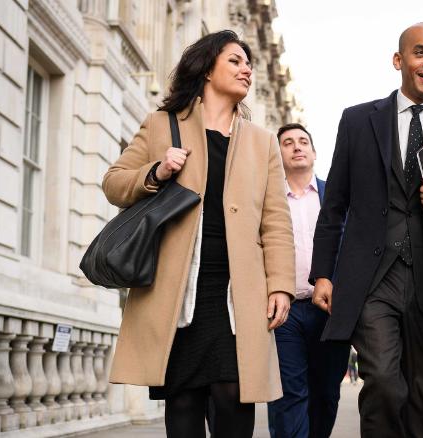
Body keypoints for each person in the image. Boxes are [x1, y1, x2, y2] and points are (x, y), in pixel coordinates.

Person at [101, 30, 294, 438]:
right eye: (236, 61)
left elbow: (276, 221)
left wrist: (280, 285)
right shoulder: (161, 125)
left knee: (232, 392)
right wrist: (155, 172)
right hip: (178, 288)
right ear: (207, 69)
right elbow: (114, 182)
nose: (247, 69)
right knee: (184, 398)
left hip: (237, 290)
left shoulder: (262, 143)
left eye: (249, 63)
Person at [309, 22, 423, 438]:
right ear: (398, 60)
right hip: (372, 281)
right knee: (385, 387)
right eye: (421, 52)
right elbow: (334, 205)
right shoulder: (357, 121)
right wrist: (322, 273)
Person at [267, 123, 350, 438]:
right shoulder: (269, 198)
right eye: (287, 142)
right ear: (278, 153)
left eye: (303, 141)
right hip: (285, 311)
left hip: (329, 312)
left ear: (314, 153)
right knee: (290, 394)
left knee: (326, 395)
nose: (296, 147)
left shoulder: (336, 198)